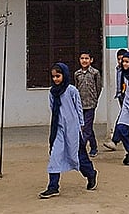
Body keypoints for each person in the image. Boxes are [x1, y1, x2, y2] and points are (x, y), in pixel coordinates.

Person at [38, 62, 98, 198]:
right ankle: (53, 186)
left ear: (64, 75)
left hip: (73, 129)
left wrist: (81, 126)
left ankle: (90, 173)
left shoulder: (71, 90)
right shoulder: (52, 92)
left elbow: (78, 108)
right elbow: (53, 109)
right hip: (58, 128)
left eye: (58, 76)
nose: (56, 79)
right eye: (53, 77)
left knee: (77, 155)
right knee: (55, 155)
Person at [73, 51, 103, 157]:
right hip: (80, 105)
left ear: (91, 60)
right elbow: (76, 89)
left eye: (86, 58)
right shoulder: (77, 74)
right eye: (82, 58)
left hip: (91, 104)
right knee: (86, 127)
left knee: (87, 127)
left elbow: (98, 88)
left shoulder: (95, 73)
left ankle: (81, 148)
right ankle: (94, 146)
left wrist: (95, 100)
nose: (84, 60)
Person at [102, 48, 128, 151]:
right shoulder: (118, 69)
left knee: (122, 119)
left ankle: (115, 140)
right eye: (119, 59)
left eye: (123, 59)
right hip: (121, 96)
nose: (121, 62)